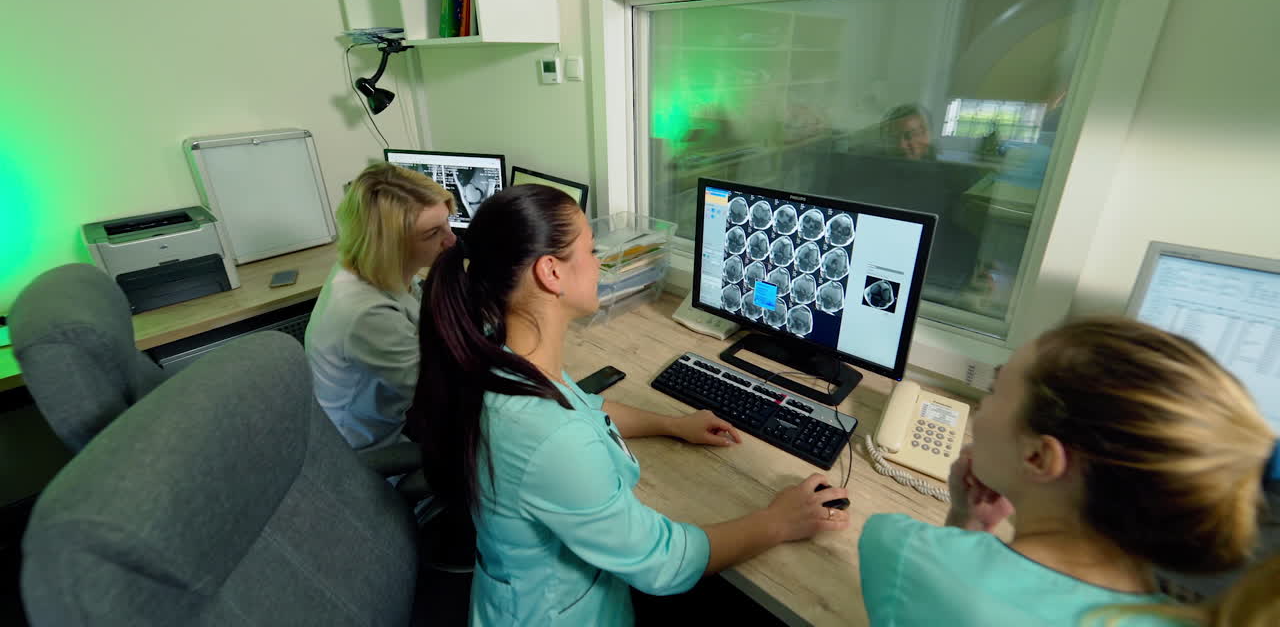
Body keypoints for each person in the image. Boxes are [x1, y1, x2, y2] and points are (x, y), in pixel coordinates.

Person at [409, 184, 850, 626]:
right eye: (591, 250)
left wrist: (671, 424)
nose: (599, 262)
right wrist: (778, 521)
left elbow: (583, 405)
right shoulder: (547, 434)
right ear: (551, 272)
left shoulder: (503, 357)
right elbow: (663, 562)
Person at [858, 316, 1276, 626]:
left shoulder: (900, 549)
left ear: (1039, 458)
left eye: (994, 392)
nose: (979, 409)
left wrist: (965, 523)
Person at [304, 162, 456, 452]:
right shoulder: (365, 312)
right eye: (432, 233)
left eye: (447, 222)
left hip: (395, 409)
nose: (451, 239)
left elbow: (421, 312)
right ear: (390, 245)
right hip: (368, 446)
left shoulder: (373, 265)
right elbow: (440, 393)